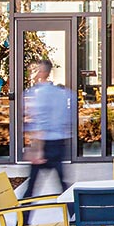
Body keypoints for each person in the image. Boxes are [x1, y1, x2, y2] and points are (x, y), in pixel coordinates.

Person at [20, 56, 76, 214]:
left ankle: (22, 224)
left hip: (44, 145)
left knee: (31, 188)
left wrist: (37, 149)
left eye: (35, 71)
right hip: (59, 143)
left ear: (42, 72)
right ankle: (76, 222)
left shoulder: (36, 94)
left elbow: (40, 124)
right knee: (63, 186)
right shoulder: (63, 94)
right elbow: (69, 118)